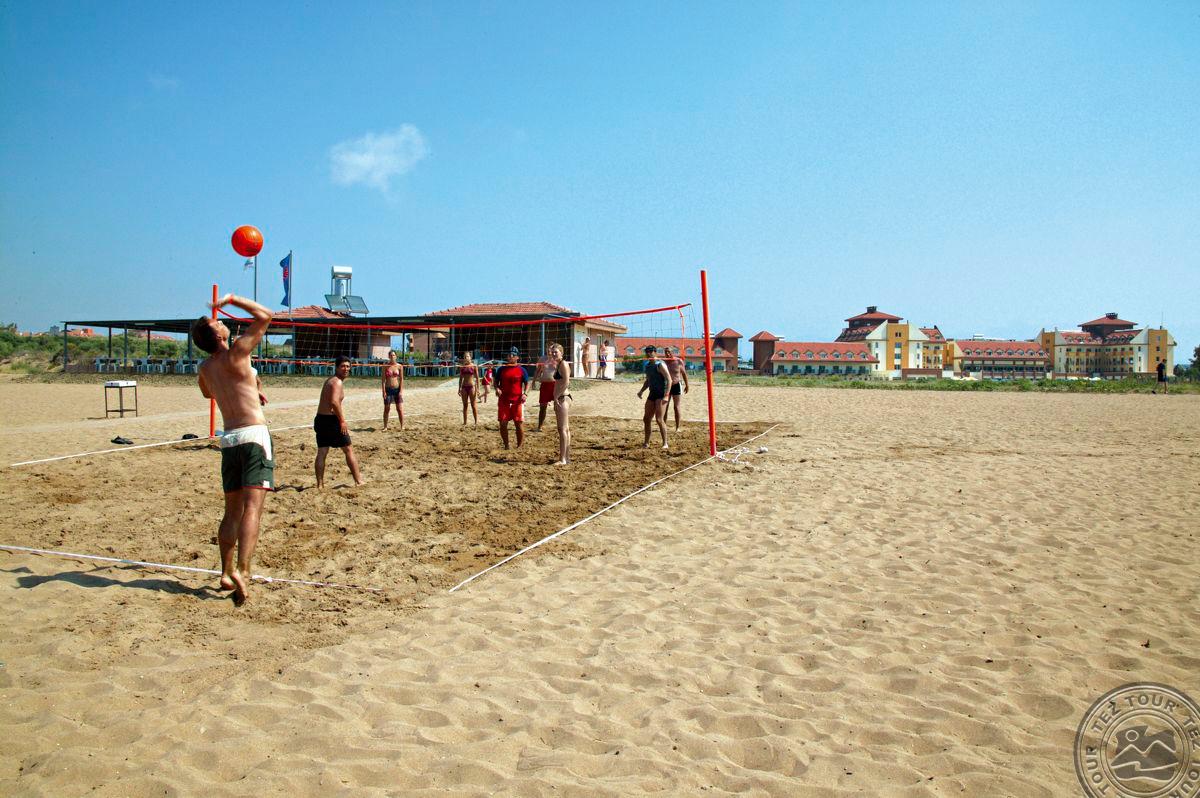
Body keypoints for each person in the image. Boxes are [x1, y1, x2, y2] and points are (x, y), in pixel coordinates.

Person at [192, 294, 274, 606]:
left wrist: (247, 387)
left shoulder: (205, 367)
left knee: (231, 512)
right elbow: (265, 315)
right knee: (252, 510)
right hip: (253, 434)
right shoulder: (237, 352)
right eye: (218, 322)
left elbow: (207, 392)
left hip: (228, 439)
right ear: (218, 335)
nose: (222, 321)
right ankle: (243, 570)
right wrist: (234, 300)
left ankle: (225, 573)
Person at [314, 356, 364, 488]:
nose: (346, 369)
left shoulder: (330, 380)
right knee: (348, 449)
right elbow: (334, 402)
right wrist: (342, 421)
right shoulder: (337, 382)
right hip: (331, 421)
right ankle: (359, 481)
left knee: (322, 451)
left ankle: (320, 485)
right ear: (336, 367)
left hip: (320, 419)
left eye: (348, 366)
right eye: (342, 366)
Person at [636, 345, 673, 449]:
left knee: (659, 419)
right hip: (652, 393)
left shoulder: (660, 364)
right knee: (646, 419)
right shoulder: (648, 366)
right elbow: (648, 381)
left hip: (661, 394)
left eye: (650, 351)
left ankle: (665, 443)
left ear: (655, 352)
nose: (648, 353)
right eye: (647, 352)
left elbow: (669, 380)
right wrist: (641, 391)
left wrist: (666, 395)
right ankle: (646, 443)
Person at [495, 347, 529, 449]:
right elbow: (495, 382)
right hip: (504, 400)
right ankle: (506, 445)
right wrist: (497, 388)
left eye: (513, 355)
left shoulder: (522, 370)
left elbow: (527, 383)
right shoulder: (501, 369)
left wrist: (525, 393)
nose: (510, 356)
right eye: (509, 355)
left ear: (517, 357)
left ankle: (519, 446)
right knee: (503, 423)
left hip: (517, 400)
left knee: (518, 424)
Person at [549, 342, 572, 465]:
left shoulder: (563, 363)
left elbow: (567, 382)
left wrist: (556, 396)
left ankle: (563, 459)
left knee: (562, 429)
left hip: (563, 398)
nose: (553, 354)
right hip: (561, 397)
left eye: (556, 352)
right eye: (552, 352)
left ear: (561, 353)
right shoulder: (559, 364)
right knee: (565, 429)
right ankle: (566, 458)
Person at [662, 346, 689, 431]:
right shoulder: (663, 362)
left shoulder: (678, 361)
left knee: (676, 407)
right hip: (667, 386)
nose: (667, 354)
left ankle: (677, 427)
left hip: (676, 384)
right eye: (666, 352)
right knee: (665, 406)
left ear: (672, 352)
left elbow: (684, 374)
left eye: (669, 352)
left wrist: (687, 385)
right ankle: (663, 426)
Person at [534, 350, 558, 432]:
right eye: (548, 350)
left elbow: (563, 371)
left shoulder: (557, 359)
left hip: (555, 385)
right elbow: (537, 371)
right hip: (544, 385)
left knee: (558, 407)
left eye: (551, 350)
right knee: (542, 407)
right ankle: (539, 426)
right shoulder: (542, 359)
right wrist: (533, 381)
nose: (549, 352)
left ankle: (560, 425)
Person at [382, 350, 404, 430]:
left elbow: (401, 379)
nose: (392, 357)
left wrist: (401, 391)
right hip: (388, 389)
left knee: (399, 409)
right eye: (391, 355)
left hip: (396, 390)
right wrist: (383, 392)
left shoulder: (399, 366)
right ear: (389, 357)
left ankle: (402, 426)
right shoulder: (385, 366)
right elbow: (383, 380)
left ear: (396, 356)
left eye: (393, 355)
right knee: (387, 409)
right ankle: (385, 427)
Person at [459, 352, 479, 426]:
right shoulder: (462, 367)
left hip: (472, 387)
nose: (466, 358)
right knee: (465, 405)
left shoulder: (474, 366)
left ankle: (476, 422)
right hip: (464, 387)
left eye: (467, 356)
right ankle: (465, 423)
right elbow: (460, 379)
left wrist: (478, 389)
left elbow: (477, 378)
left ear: (470, 357)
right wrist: (459, 389)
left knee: (473, 405)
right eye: (465, 357)